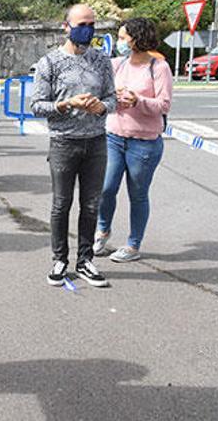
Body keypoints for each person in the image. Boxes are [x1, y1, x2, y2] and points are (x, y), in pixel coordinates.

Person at [30, 4, 116, 289]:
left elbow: (112, 98)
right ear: (66, 26)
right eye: (82, 24)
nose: (88, 29)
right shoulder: (49, 63)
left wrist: (101, 106)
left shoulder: (102, 60)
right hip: (64, 142)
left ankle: (86, 260)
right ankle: (59, 260)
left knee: (91, 205)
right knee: (61, 204)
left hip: (96, 141)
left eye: (92, 24)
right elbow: (37, 106)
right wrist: (67, 104)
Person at [93, 18, 172, 262]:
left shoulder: (158, 67)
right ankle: (102, 230)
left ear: (137, 39)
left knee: (137, 194)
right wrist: (112, 96)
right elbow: (102, 95)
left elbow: (164, 105)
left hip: (144, 143)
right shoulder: (117, 65)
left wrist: (138, 100)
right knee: (106, 189)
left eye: (123, 37)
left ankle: (133, 245)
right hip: (114, 136)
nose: (120, 42)